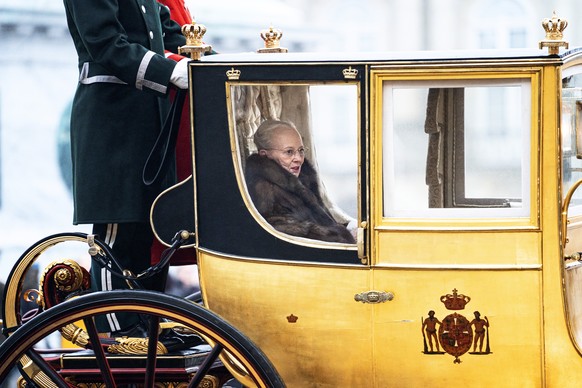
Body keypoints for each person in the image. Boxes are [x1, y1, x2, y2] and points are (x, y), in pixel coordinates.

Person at [63, 0, 190, 337]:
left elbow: (166, 31)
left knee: (149, 227)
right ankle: (116, 327)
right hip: (112, 123)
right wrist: (169, 71)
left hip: (149, 120)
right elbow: (105, 43)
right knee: (118, 233)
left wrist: (205, 59)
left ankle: (147, 317)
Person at [244, 120, 356, 243]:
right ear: (265, 155)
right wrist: (346, 237)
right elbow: (294, 236)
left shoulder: (302, 180)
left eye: (301, 150)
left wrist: (349, 228)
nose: (298, 159)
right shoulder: (264, 190)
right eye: (289, 152)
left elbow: (323, 223)